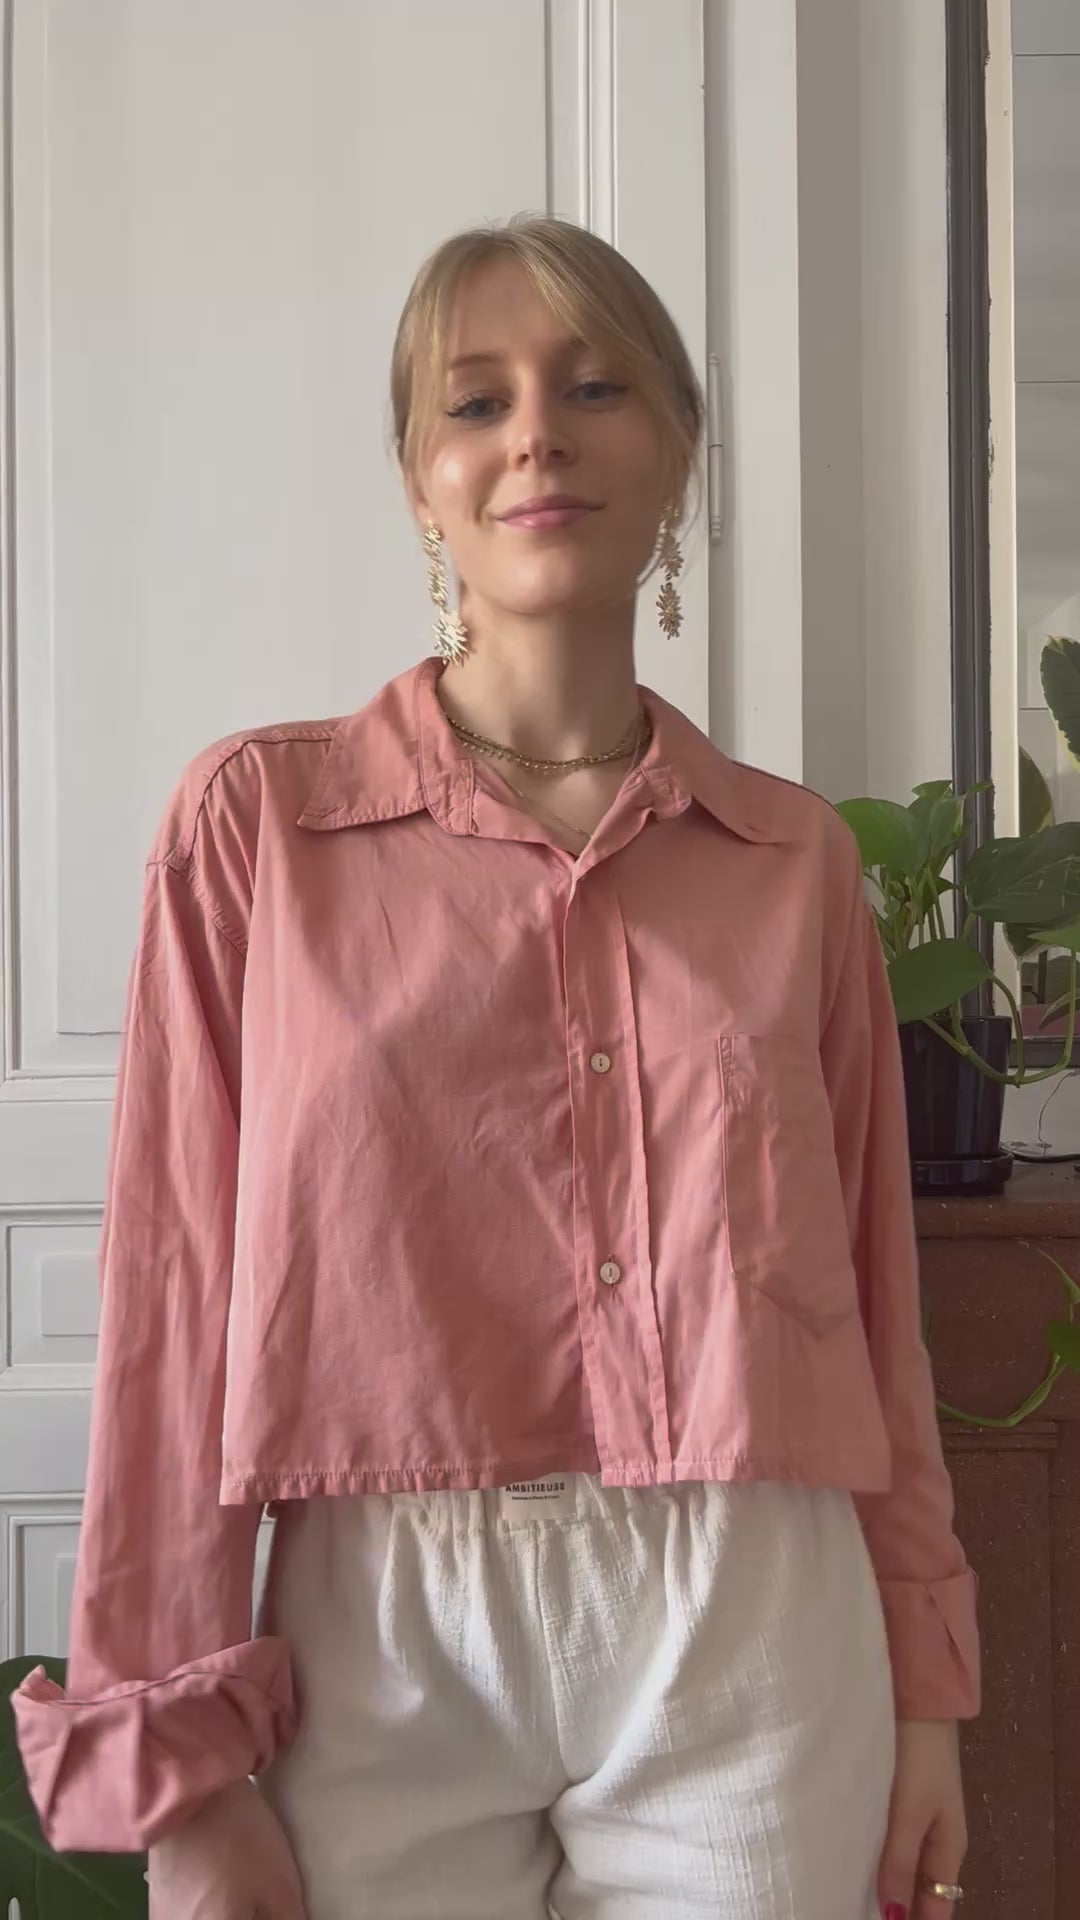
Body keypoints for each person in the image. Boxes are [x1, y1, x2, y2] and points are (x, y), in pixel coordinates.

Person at [12, 215, 978, 1920]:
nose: (537, 433)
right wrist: (179, 1768)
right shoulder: (258, 830)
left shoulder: (796, 862)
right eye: (477, 401)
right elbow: (172, 1301)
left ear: (676, 452)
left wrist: (926, 1693)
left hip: (752, 1616)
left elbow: (875, 1310)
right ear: (419, 478)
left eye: (596, 387)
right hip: (382, 1624)